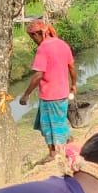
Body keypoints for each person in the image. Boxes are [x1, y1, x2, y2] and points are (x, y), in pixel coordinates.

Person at [19, 18, 76, 160]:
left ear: (36, 34)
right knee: (59, 121)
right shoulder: (62, 44)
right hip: (62, 93)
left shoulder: (43, 48)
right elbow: (71, 67)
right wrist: (73, 85)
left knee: (50, 126)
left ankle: (54, 153)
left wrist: (26, 95)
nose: (34, 41)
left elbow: (38, 74)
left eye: (32, 38)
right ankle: (66, 142)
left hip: (50, 95)